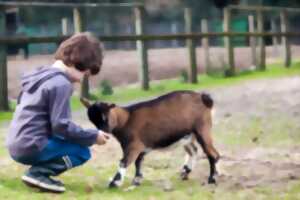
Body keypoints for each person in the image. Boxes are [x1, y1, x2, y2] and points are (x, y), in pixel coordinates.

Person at [6, 32, 110, 193]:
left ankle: (38, 172)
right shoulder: (61, 84)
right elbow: (61, 126)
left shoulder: (40, 76)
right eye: (85, 74)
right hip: (32, 146)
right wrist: (92, 136)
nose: (81, 80)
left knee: (69, 140)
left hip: (16, 143)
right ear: (78, 62)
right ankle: (38, 173)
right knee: (82, 151)